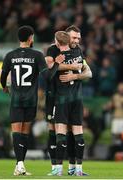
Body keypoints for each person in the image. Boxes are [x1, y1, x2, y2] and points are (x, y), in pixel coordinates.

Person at [0, 25, 61, 176]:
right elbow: (47, 77)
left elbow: (3, 77)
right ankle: (20, 165)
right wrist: (57, 63)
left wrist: (5, 87)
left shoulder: (10, 55)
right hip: (30, 99)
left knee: (16, 132)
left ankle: (19, 164)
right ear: (30, 38)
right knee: (25, 132)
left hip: (15, 99)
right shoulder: (37, 55)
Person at [45, 26, 92, 176]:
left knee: (68, 131)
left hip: (70, 97)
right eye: (74, 38)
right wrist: (73, 67)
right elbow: (50, 66)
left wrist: (75, 76)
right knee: (64, 131)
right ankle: (66, 169)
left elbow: (88, 72)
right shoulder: (54, 49)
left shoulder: (78, 50)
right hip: (60, 96)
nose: (77, 41)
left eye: (78, 38)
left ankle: (69, 169)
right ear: (66, 36)